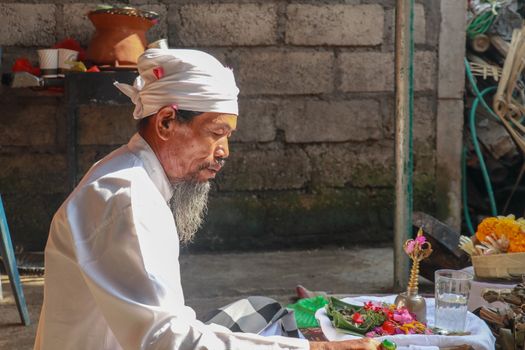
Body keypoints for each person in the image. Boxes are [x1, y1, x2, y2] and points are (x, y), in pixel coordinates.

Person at [34, 49, 380, 350]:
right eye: (216, 133)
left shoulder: (127, 173)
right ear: (167, 121)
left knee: (264, 310)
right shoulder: (128, 199)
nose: (224, 151)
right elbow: (166, 342)